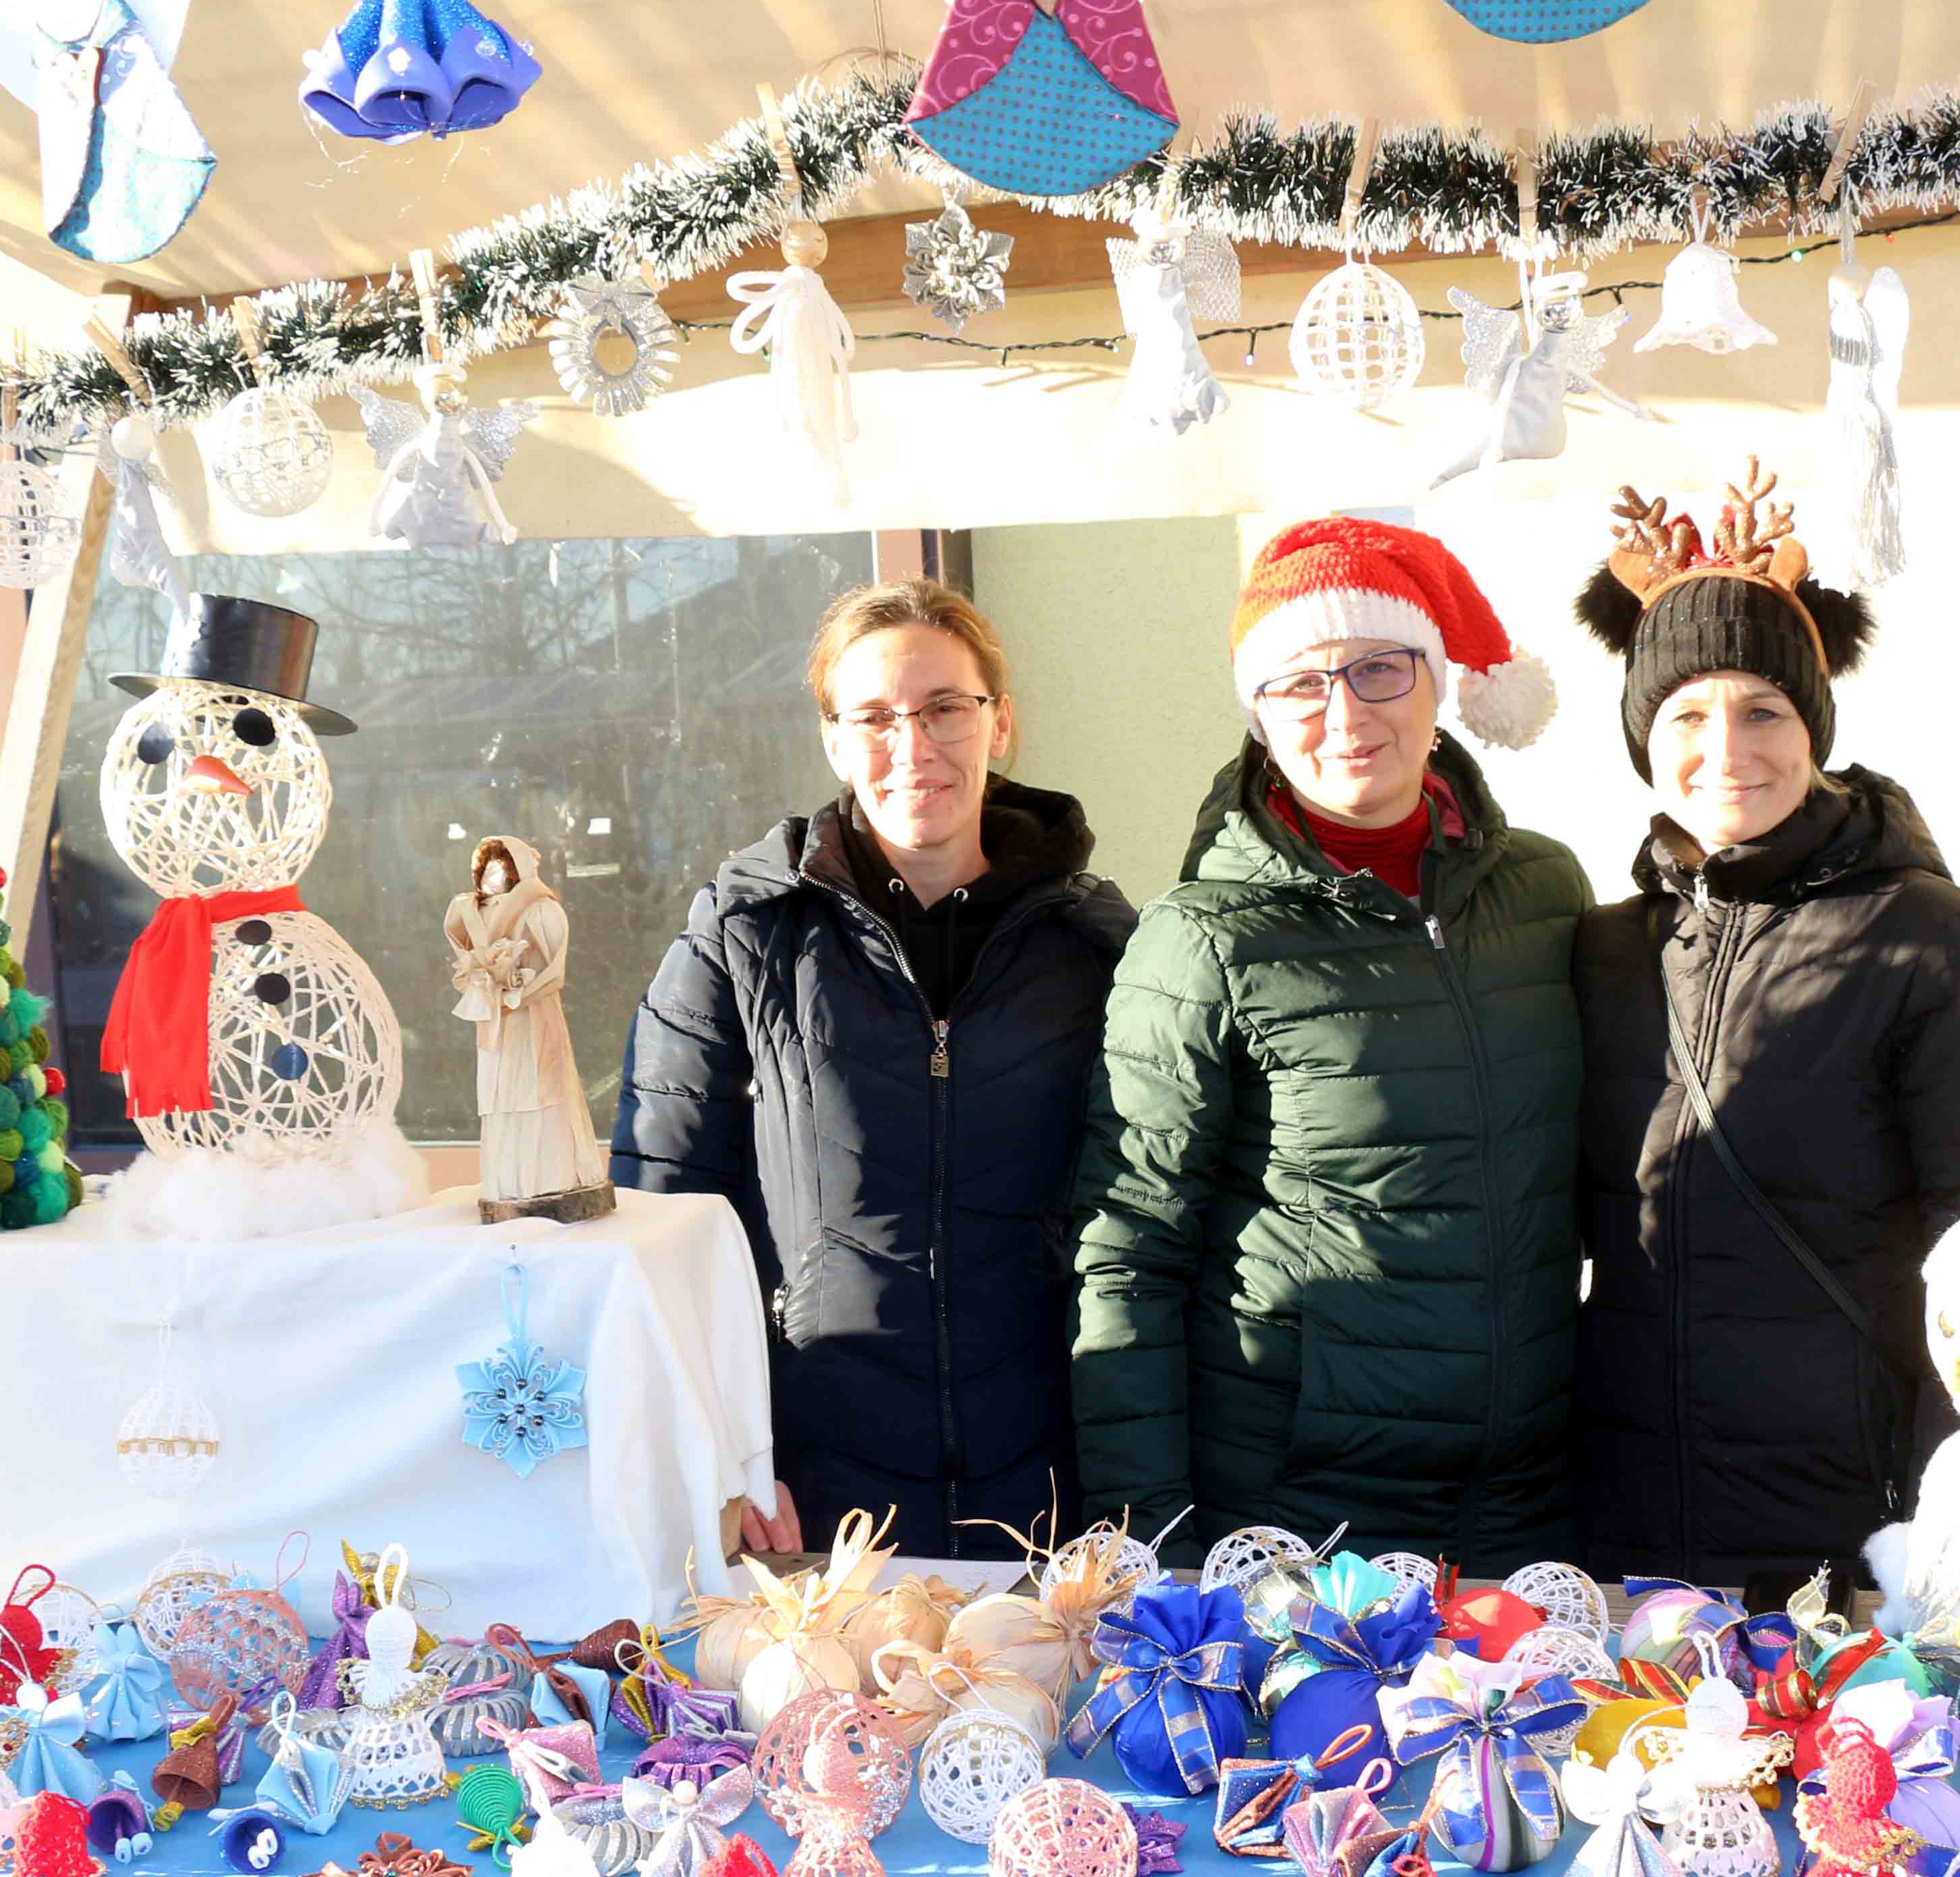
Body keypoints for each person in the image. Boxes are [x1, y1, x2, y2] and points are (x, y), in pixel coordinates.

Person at [1566, 461, 1960, 1605]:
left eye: (1763, 711)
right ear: (1642, 739)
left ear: (1814, 728)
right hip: (1622, 1518)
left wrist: (1946, 1510)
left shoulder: (1931, 940)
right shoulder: (1602, 949)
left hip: (1849, 1522)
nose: (1727, 750)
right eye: (1686, 715)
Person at [1069, 517, 1584, 1570]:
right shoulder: (1202, 938)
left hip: (1525, 1501)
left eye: (1379, 669)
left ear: (1438, 686)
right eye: (1299, 684)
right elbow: (1126, 1250)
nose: (1344, 714)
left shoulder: (1545, 890)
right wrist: (1152, 1543)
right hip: (1301, 1510)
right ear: (1258, 717)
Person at [612, 579, 1134, 1559]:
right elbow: (661, 1212)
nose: (913, 745)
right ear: (833, 740)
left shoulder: (1097, 945)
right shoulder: (742, 934)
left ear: (1000, 722)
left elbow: (1146, 1221)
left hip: (1050, 1488)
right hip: (813, 1494)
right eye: (876, 717)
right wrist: (722, 1454)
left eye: (945, 708)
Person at [448, 835, 613, 1223]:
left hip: (532, 1015)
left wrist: (520, 991)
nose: (491, 878)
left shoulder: (540, 910)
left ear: (516, 871)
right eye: (486, 870)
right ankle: (509, 1182)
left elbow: (556, 969)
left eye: (500, 869)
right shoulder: (469, 910)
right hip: (495, 1020)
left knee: (540, 1085)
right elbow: (464, 955)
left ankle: (551, 1177)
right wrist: (485, 980)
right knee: (501, 1092)